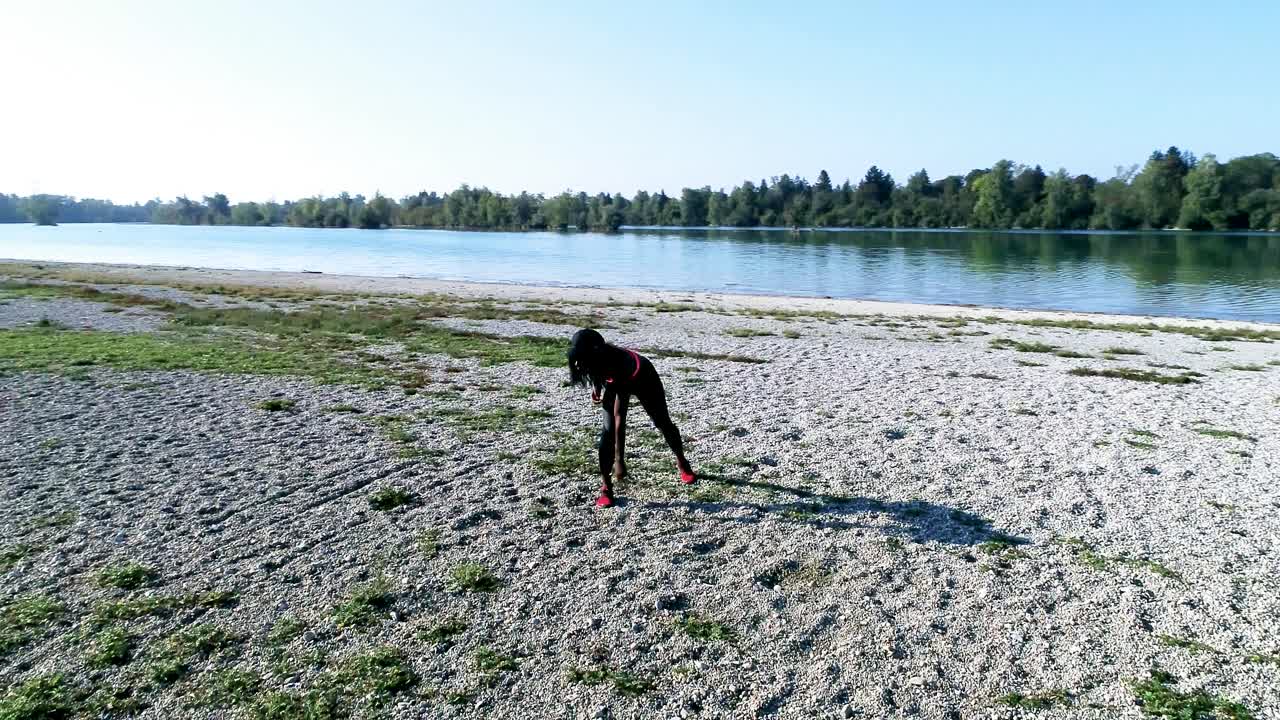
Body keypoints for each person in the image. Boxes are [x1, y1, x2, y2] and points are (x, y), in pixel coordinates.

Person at [566, 328, 696, 507]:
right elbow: (597, 372)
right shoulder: (590, 359)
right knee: (607, 432)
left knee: (662, 422)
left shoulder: (619, 363)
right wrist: (596, 387)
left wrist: (620, 461)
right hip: (615, 382)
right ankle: (606, 487)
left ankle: (682, 462)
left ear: (595, 352)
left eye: (582, 358)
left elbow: (621, 416)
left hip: (643, 377)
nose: (578, 364)